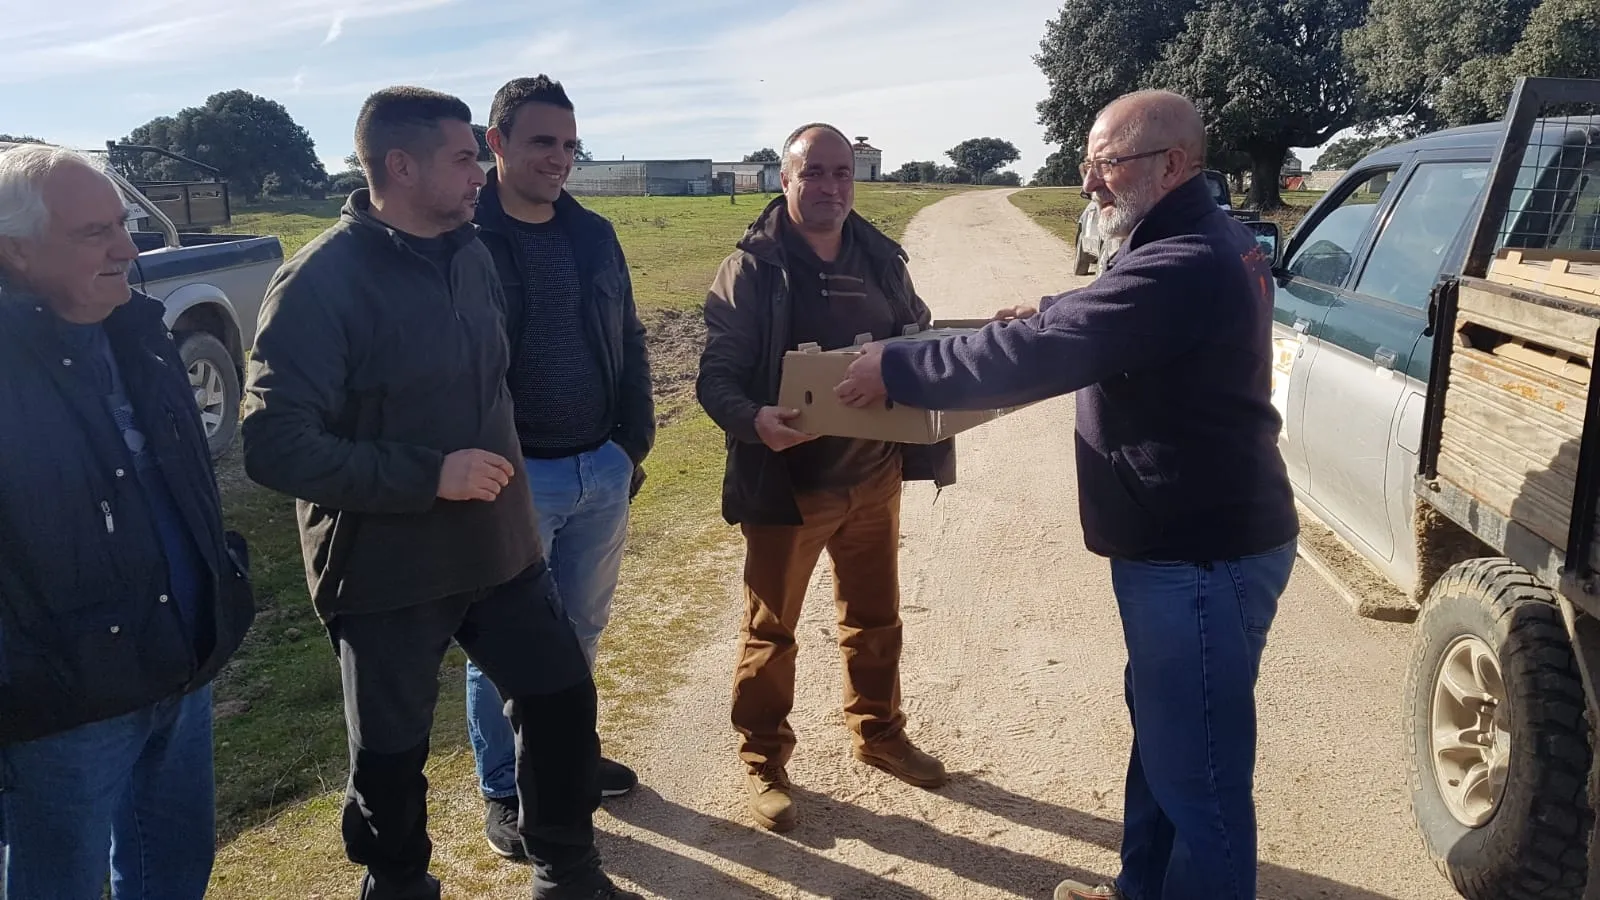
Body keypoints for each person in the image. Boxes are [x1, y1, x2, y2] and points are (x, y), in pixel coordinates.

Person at [834, 90, 1299, 900]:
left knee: (1201, 786)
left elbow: (1042, 354)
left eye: (1106, 165)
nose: (1090, 184)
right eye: (1089, 164)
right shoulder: (1197, 236)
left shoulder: (1181, 260)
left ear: (1173, 164)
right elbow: (1116, 314)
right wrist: (1059, 303)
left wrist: (896, 367)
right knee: (1165, 746)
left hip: (1198, 559)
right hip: (1190, 546)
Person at [241, 87, 639, 900]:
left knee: (562, 699)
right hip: (386, 566)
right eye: (462, 159)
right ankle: (398, 884)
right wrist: (430, 473)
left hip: (500, 546)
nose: (475, 176)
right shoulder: (320, 281)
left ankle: (566, 870)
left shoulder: (471, 254)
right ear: (399, 165)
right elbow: (273, 444)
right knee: (389, 754)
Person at [0, 143, 255, 897]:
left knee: (174, 868)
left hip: (181, 663)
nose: (126, 248)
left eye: (123, 224)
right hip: (61, 703)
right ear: (15, 253)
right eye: (93, 233)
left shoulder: (140, 333)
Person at [696, 122, 954, 834]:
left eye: (843, 173)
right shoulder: (753, 268)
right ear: (785, 179)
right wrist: (754, 421)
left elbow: (920, 335)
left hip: (875, 477)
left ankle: (879, 733)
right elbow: (715, 375)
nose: (831, 187)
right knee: (770, 630)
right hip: (790, 486)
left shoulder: (880, 259)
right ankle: (763, 760)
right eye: (815, 173)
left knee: (875, 619)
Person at [466, 74, 654, 858]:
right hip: (513, 481)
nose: (560, 159)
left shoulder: (593, 234)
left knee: (580, 627)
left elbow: (633, 338)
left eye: (571, 145)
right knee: (499, 645)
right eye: (543, 141)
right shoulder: (464, 236)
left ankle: (564, 756)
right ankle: (507, 788)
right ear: (496, 143)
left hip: (600, 470)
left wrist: (630, 444)